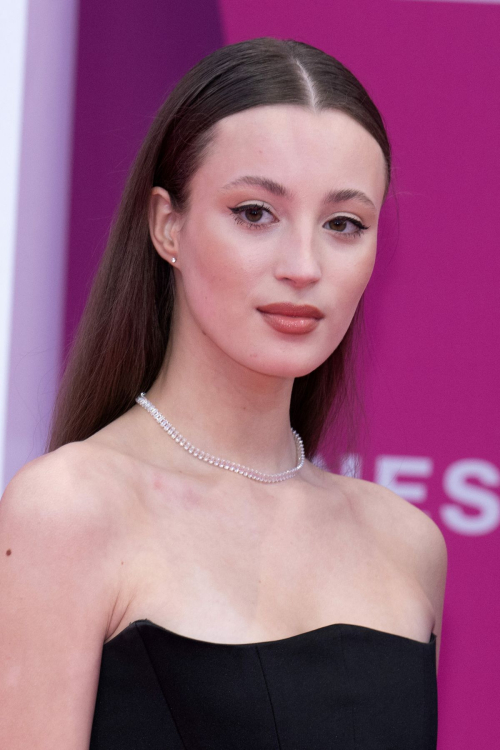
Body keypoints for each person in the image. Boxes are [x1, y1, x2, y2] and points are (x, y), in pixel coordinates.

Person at [0, 37, 447, 749]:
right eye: (254, 213)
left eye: (343, 225)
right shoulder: (70, 510)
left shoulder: (407, 544)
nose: (304, 266)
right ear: (167, 225)